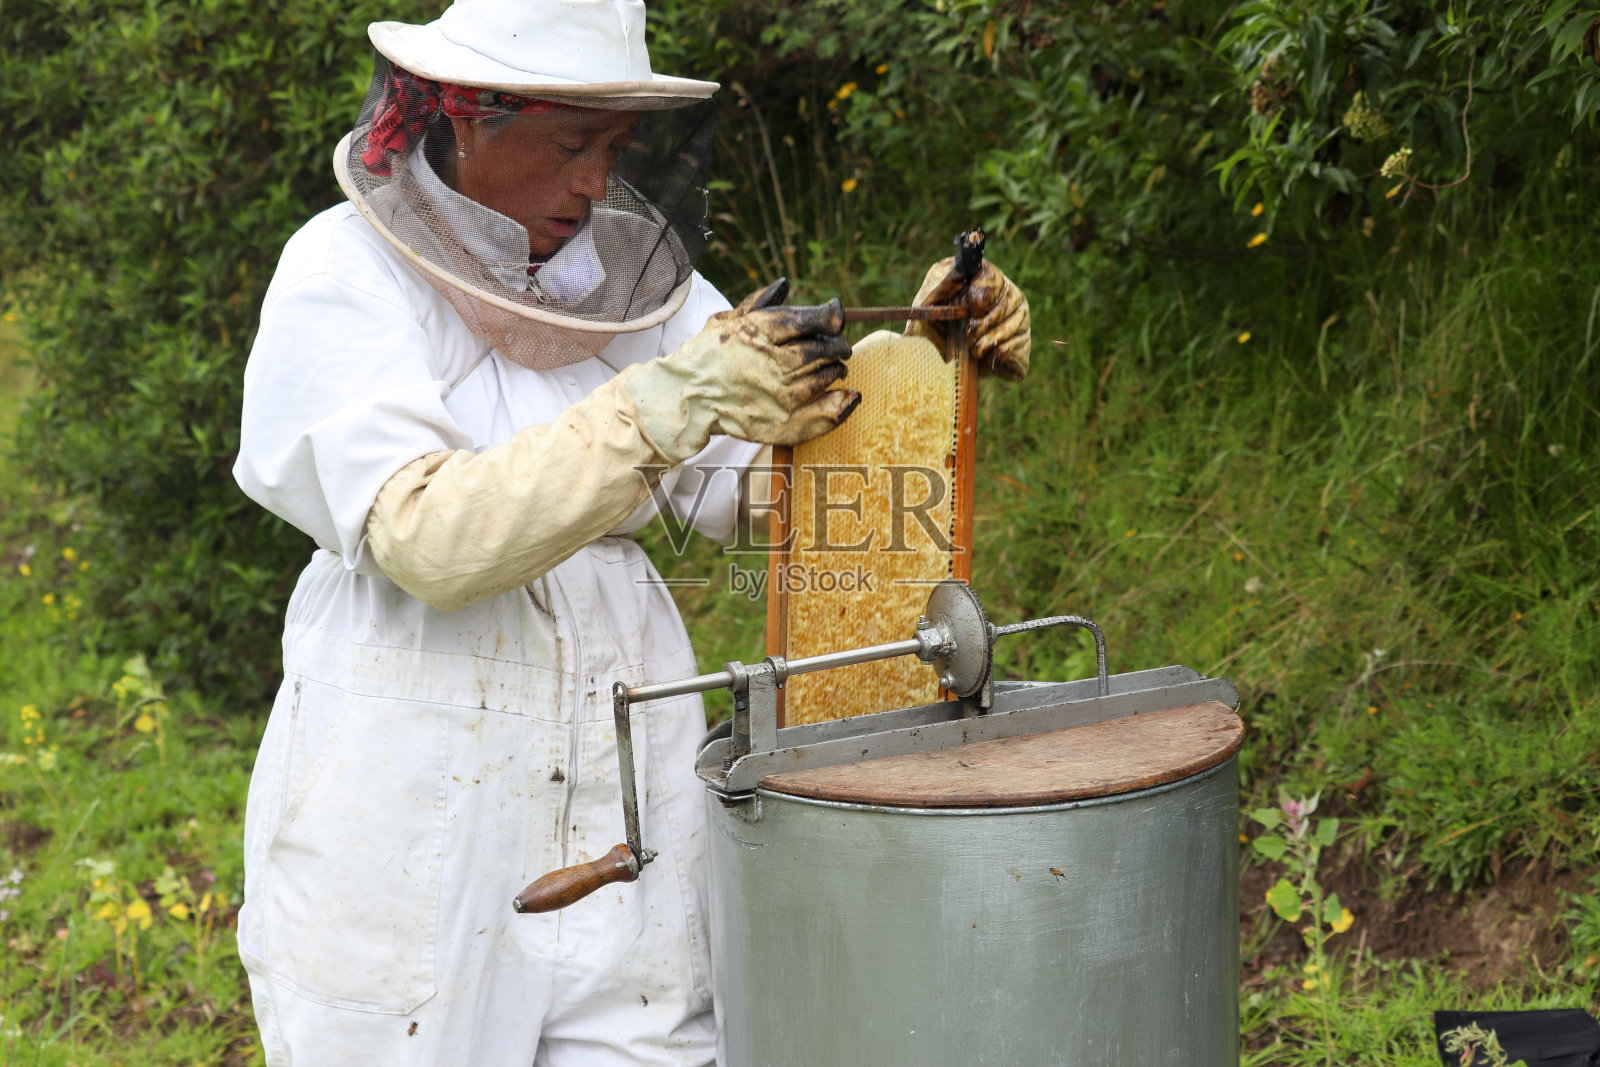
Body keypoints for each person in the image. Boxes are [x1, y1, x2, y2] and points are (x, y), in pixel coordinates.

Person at [231, 1, 1032, 1063]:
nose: (594, 183)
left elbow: (780, 490)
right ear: (470, 117)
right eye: (570, 145)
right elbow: (435, 542)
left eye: (610, 148)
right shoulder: (341, 274)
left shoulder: (630, 286)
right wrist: (666, 406)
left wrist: (926, 361)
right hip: (413, 771)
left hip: (627, 765)